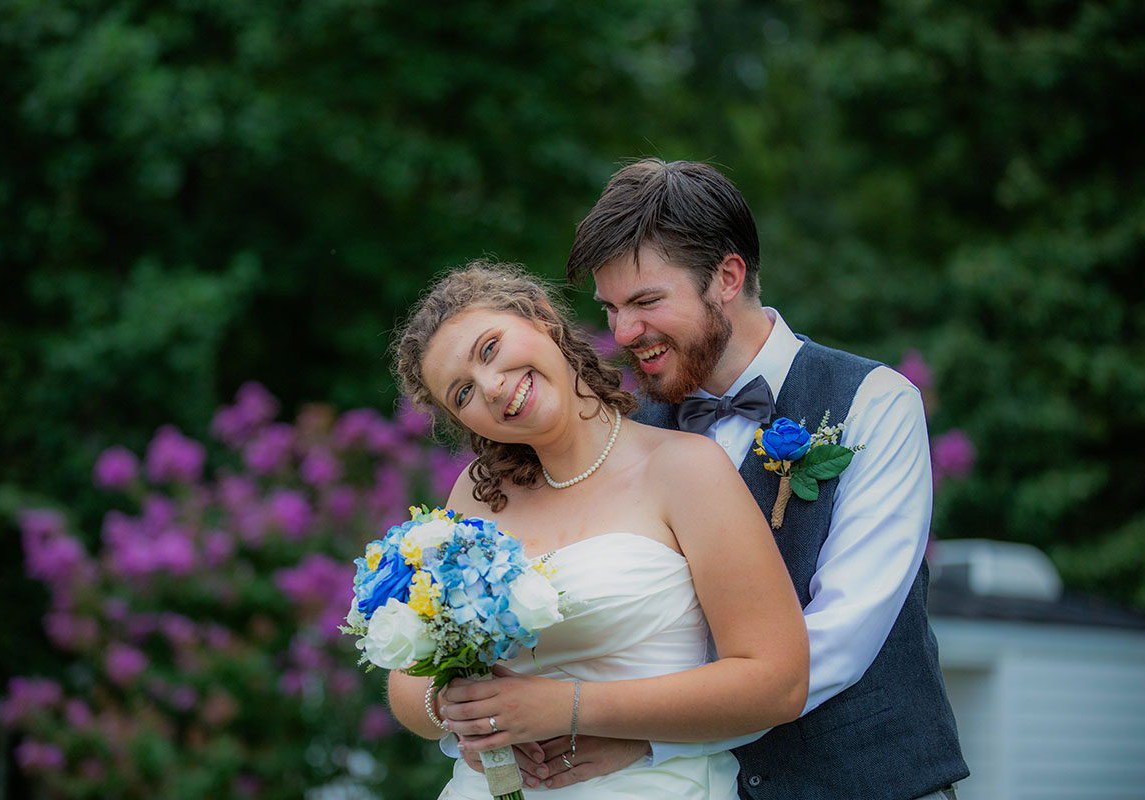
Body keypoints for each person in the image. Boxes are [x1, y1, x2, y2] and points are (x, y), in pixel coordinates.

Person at [544, 158, 970, 800]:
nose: (624, 333)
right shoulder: (630, 431)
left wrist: (649, 736)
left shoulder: (874, 403)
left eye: (646, 301)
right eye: (610, 309)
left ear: (727, 276)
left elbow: (841, 636)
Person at [385, 261, 809, 799]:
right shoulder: (476, 493)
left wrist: (565, 708)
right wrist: (453, 708)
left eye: (490, 349)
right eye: (462, 394)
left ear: (541, 318)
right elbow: (408, 679)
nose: (490, 388)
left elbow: (778, 683)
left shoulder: (685, 469)